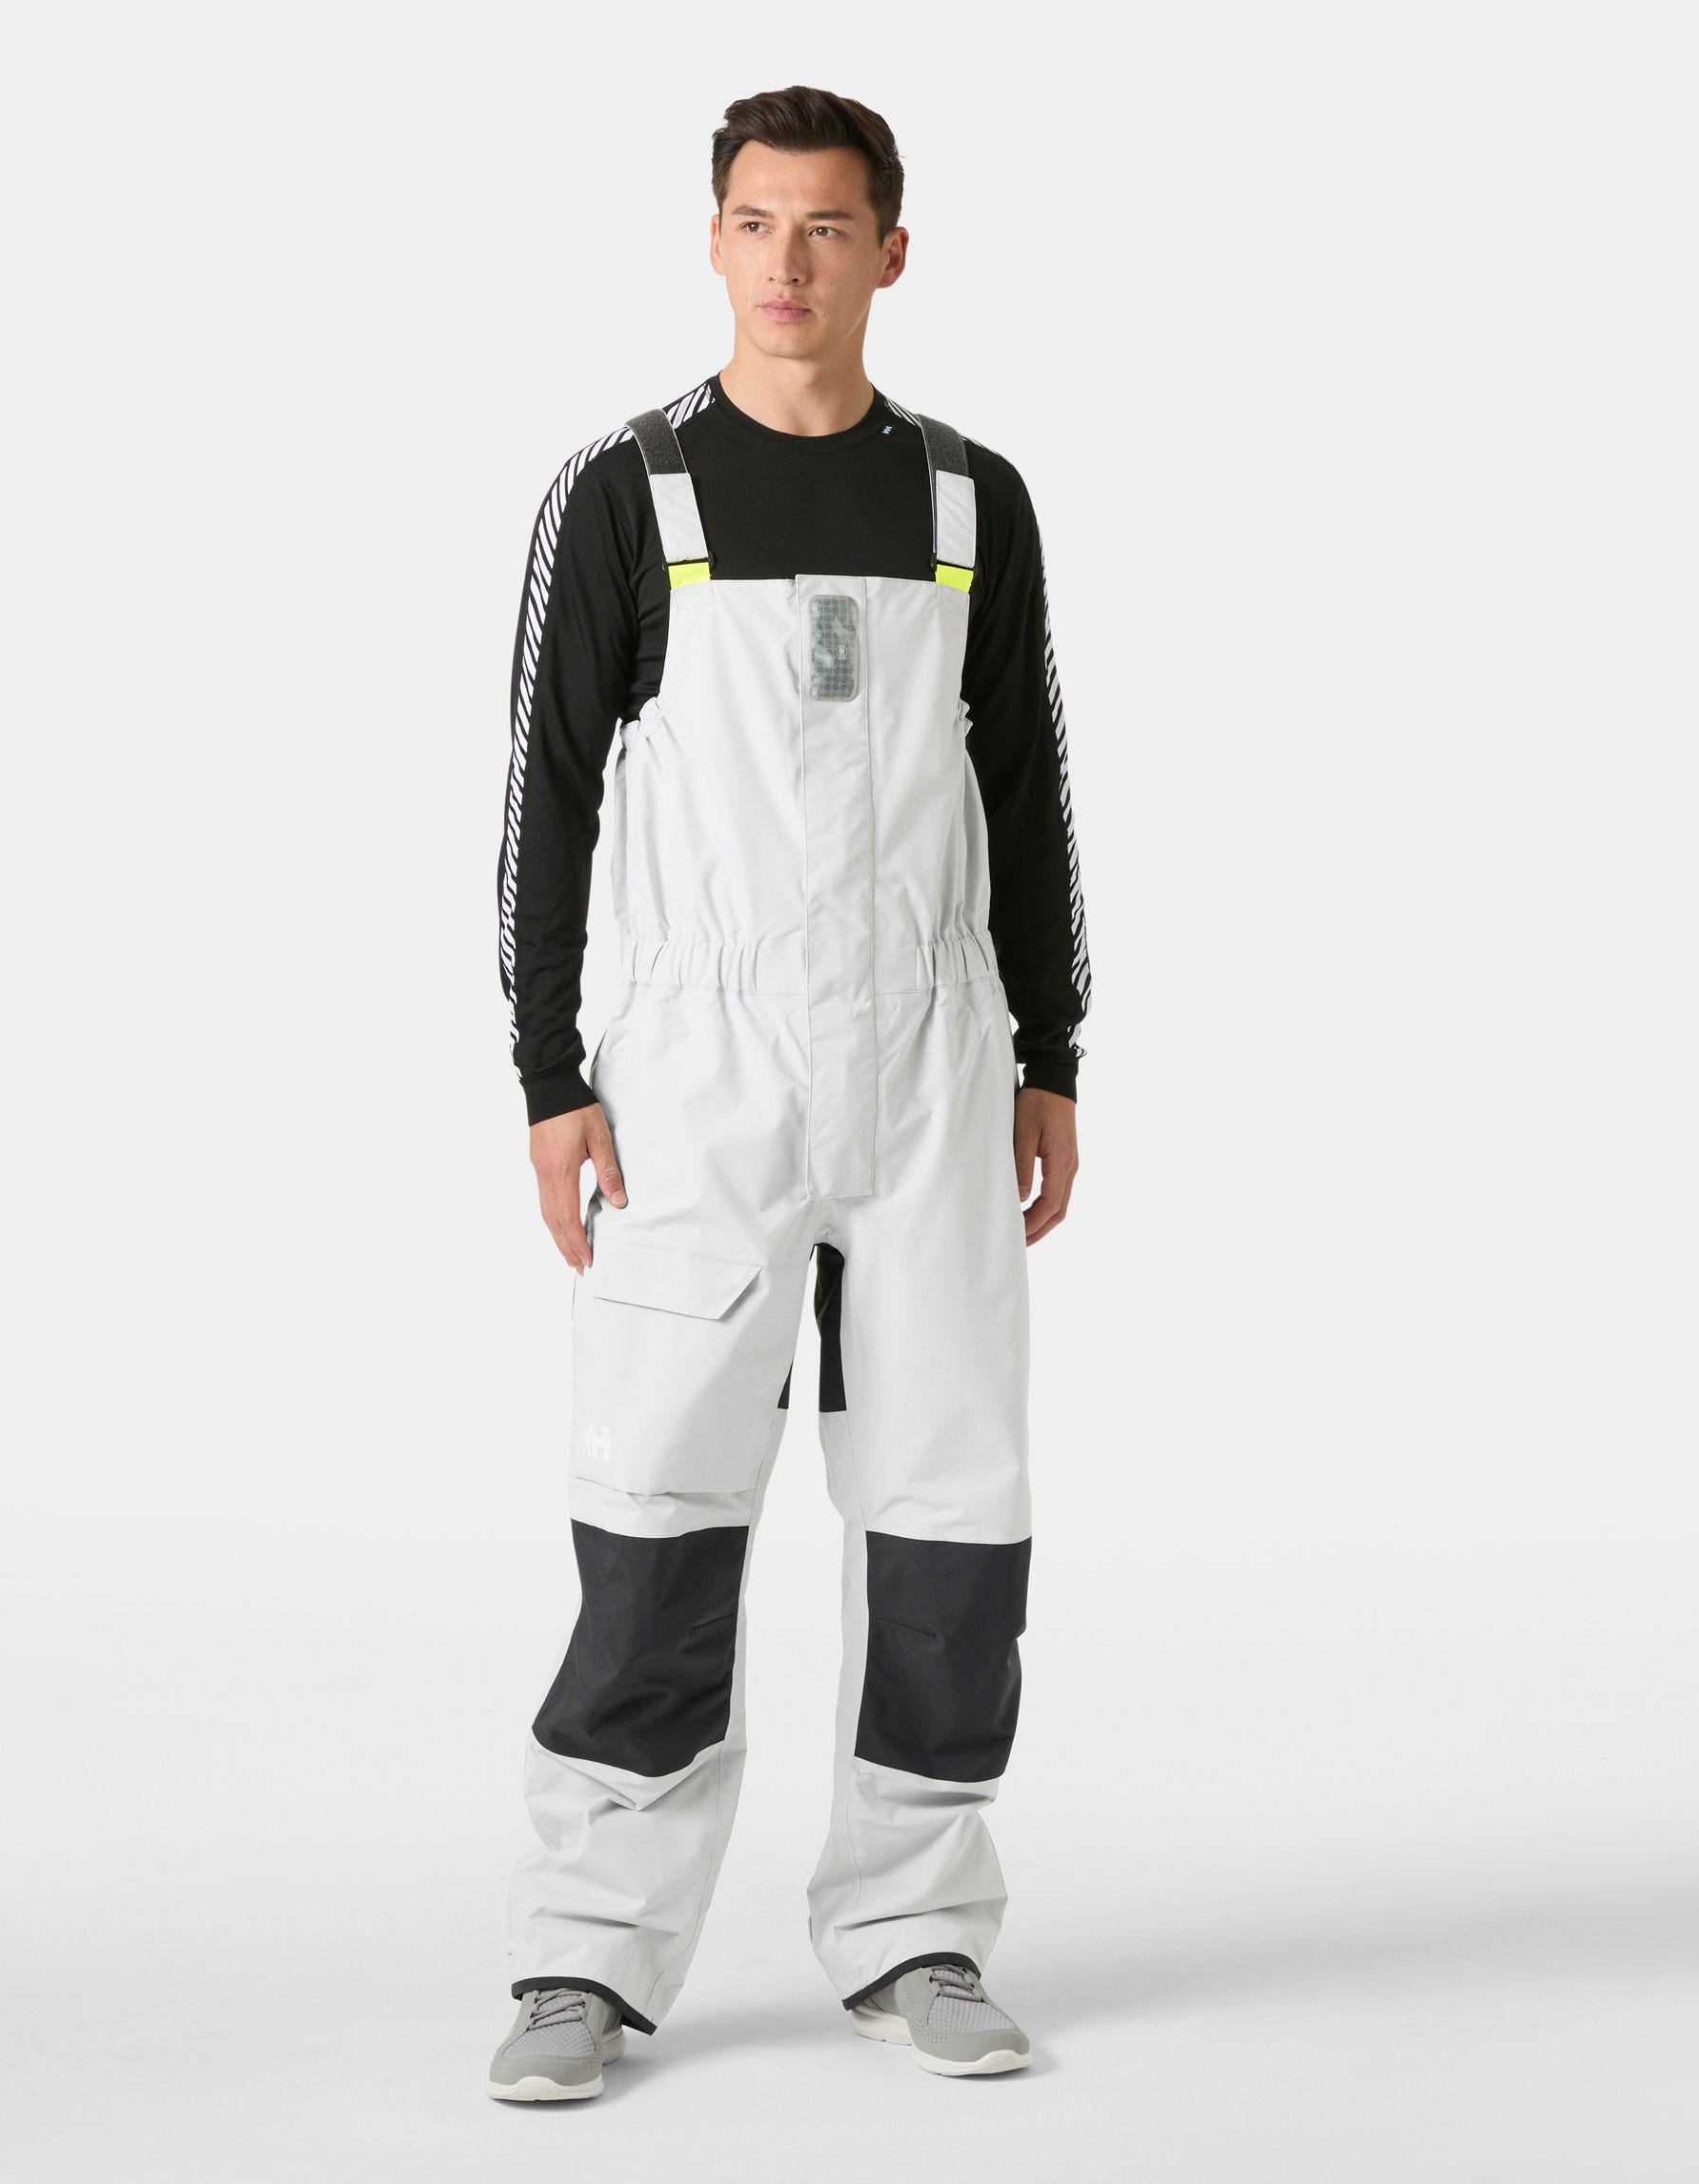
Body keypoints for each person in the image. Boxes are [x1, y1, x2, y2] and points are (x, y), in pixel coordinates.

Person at [489, 84, 1091, 2099]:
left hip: (935, 1068)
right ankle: (587, 1956)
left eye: (828, 227)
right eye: (755, 223)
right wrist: (549, 1073)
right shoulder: (626, 494)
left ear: (890, 252)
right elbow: (546, 794)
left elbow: (1029, 792)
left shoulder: (970, 503)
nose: (789, 262)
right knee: (659, 1500)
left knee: (950, 1511)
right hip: (696, 1071)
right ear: (713, 239)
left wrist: (1054, 1051)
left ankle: (917, 1929)